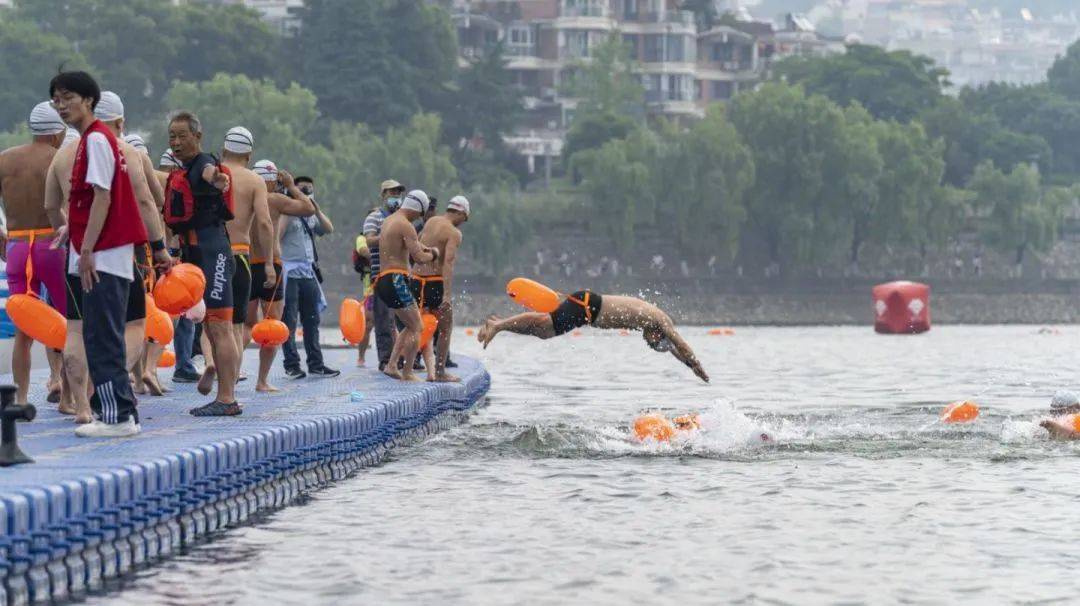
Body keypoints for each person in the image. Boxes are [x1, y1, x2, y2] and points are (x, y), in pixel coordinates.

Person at [48, 71, 155, 437]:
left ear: (89, 100)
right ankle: (123, 412)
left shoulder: (95, 140)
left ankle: (116, 418)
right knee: (103, 332)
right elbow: (93, 200)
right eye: (56, 100)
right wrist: (73, 231)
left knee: (101, 335)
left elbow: (103, 197)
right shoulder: (101, 140)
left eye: (68, 98)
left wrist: (88, 247)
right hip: (104, 249)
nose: (62, 106)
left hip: (103, 253)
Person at [166, 110, 240, 416]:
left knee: (220, 326)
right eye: (172, 136)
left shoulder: (203, 163)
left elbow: (212, 174)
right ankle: (224, 392)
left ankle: (227, 399)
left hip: (214, 254)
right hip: (195, 253)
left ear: (197, 136)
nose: (176, 142)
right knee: (211, 327)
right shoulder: (182, 169)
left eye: (183, 136)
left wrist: (219, 180)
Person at [0, 101, 70, 409]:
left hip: (16, 247)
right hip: (52, 246)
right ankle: (70, 397)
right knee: (72, 323)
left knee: (23, 331)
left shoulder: (4, 159)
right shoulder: (61, 157)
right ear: (58, 133)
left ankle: (22, 398)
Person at [478, 291, 710, 383]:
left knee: (544, 332)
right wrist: (697, 365)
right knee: (544, 325)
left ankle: (499, 324)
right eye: (651, 343)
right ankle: (497, 325)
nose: (647, 342)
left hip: (587, 312)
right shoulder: (660, 321)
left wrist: (689, 366)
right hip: (587, 306)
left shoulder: (653, 324)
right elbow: (680, 343)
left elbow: (671, 349)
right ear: (656, 334)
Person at [244, 160, 314, 389]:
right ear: (273, 180)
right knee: (272, 325)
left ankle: (229, 374)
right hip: (269, 265)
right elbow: (308, 208)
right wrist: (292, 186)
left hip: (245, 262)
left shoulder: (242, 197)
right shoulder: (274, 199)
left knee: (243, 325)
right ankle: (262, 381)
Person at [219, 127, 275, 391]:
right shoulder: (254, 181)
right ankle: (229, 390)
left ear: (224, 149)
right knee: (238, 326)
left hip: (211, 257)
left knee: (215, 326)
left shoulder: (212, 173)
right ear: (249, 154)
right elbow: (264, 223)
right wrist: (267, 263)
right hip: (240, 255)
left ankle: (211, 363)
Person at [279, 176, 339, 379]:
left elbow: (329, 228)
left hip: (307, 271)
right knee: (289, 319)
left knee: (312, 319)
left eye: (309, 189)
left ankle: (316, 363)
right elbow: (277, 236)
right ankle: (292, 364)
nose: (306, 192)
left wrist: (316, 208)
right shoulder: (286, 211)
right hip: (289, 272)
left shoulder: (310, 216)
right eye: (302, 189)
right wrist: (292, 202)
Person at [376, 190, 439, 381]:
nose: (419, 218)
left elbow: (405, 247)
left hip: (384, 279)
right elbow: (419, 258)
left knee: (409, 324)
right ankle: (408, 371)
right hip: (397, 279)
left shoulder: (390, 221)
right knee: (417, 326)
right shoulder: (407, 226)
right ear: (418, 209)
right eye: (421, 214)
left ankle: (392, 365)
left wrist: (423, 249)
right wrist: (434, 254)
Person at [410, 195, 469, 382]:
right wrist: (447, 296)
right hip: (434, 282)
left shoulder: (431, 221)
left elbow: (417, 244)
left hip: (416, 279)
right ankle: (440, 371)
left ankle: (406, 366)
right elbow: (448, 264)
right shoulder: (454, 233)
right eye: (464, 219)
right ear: (460, 212)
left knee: (418, 325)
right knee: (445, 327)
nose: (463, 223)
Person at [363, 180, 405, 371]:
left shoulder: (403, 219)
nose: (396, 196)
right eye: (392, 192)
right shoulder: (374, 217)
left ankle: (404, 357)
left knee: (405, 320)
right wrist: (389, 236)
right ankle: (386, 359)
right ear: (383, 195)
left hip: (402, 275)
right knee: (383, 319)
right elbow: (369, 240)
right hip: (381, 275)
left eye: (398, 192)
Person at [353, 233, 374, 365]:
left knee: (392, 324)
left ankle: (394, 358)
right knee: (368, 325)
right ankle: (361, 357)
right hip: (370, 287)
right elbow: (363, 250)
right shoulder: (362, 238)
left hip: (389, 280)